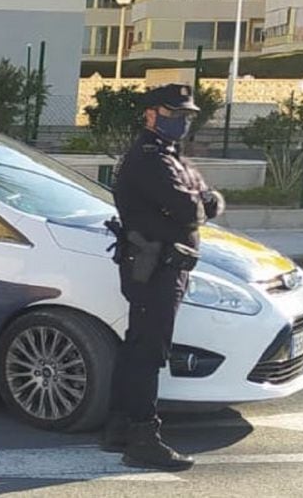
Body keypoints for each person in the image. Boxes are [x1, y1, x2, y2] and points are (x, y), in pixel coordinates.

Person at [101, 83, 224, 471]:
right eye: (173, 114)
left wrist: (201, 200)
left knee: (138, 344)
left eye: (186, 116)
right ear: (151, 114)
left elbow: (209, 199)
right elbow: (191, 208)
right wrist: (200, 201)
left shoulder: (171, 156)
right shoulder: (149, 158)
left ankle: (120, 426)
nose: (181, 122)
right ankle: (142, 436)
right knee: (149, 350)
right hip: (154, 266)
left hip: (164, 265)